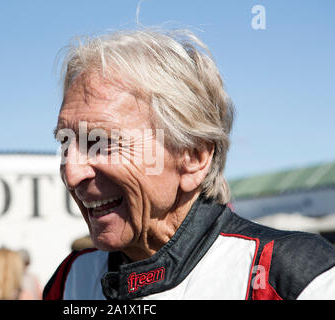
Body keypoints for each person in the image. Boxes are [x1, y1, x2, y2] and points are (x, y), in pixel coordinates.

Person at [44, 28, 335, 300]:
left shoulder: (293, 280)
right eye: (65, 143)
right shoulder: (70, 281)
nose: (71, 173)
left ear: (193, 157)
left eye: (101, 142)